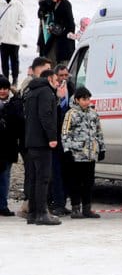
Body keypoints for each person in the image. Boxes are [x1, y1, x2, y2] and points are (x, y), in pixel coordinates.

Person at [23, 68, 64, 225]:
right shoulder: (46, 92)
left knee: (34, 178)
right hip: (42, 142)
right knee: (43, 178)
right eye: (55, 79)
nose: (57, 82)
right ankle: (41, 213)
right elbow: (46, 115)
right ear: (49, 79)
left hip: (31, 141)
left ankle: (33, 213)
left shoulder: (32, 91)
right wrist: (52, 137)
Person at [60, 86, 105, 219]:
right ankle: (75, 208)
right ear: (77, 100)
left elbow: (98, 132)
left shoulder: (93, 114)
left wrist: (102, 148)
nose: (87, 102)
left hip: (90, 155)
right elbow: (65, 133)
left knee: (88, 182)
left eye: (88, 99)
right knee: (75, 183)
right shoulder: (71, 114)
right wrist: (67, 150)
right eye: (84, 99)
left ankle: (87, 208)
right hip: (76, 155)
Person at [0, 75, 24, 216]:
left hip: (8, 148)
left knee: (4, 178)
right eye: (1, 88)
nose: (3, 91)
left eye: (5, 88)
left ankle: (2, 205)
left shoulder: (14, 104)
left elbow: (19, 123)